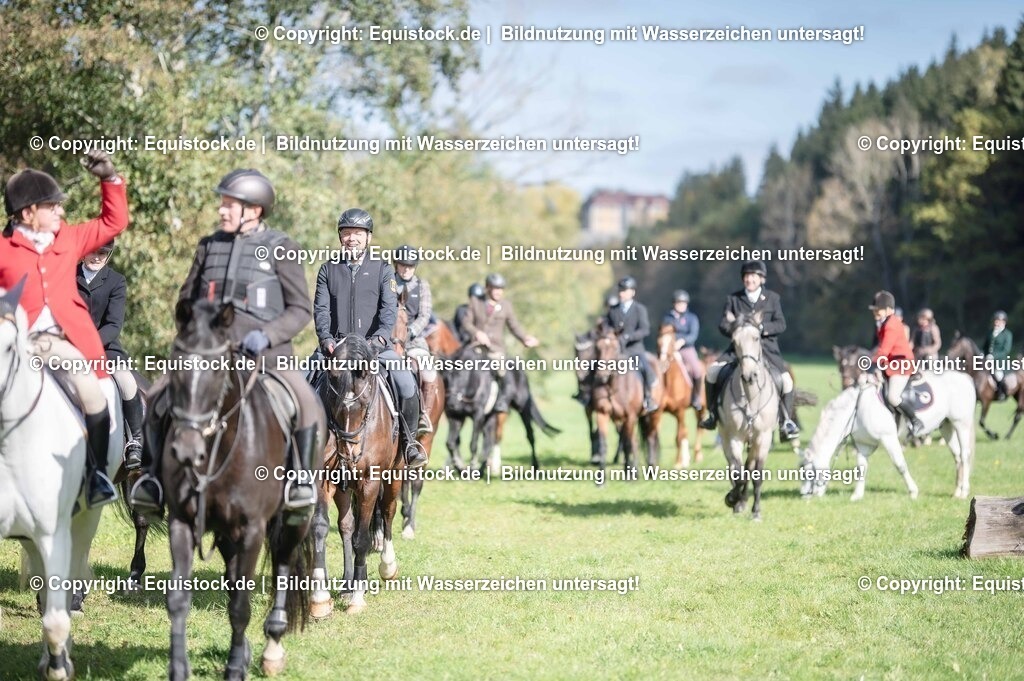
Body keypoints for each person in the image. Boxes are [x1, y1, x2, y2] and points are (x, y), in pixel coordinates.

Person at [131, 169, 325, 518]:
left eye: (229, 204)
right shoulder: (209, 245)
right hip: (209, 356)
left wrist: (266, 335)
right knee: (159, 394)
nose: (221, 210)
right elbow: (184, 302)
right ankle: (150, 482)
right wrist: (194, 332)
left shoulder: (283, 248)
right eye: (221, 203)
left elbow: (300, 309)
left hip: (266, 357)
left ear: (254, 210)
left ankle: (300, 485)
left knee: (307, 402)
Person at [0, 150, 128, 508]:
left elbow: (113, 222)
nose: (61, 211)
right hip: (14, 345)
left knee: (94, 394)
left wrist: (110, 180)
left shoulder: (69, 238)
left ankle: (96, 476)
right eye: (53, 206)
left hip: (60, 344)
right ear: (28, 213)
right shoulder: (3, 249)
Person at [312, 208, 429, 468]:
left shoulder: (382, 269)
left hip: (374, 347)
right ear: (340, 237)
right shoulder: (328, 270)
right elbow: (321, 310)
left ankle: (410, 444)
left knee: (406, 382)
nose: (351, 238)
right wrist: (327, 340)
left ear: (368, 238)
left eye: (357, 233)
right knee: (302, 377)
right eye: (346, 233)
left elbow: (389, 312)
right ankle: (299, 450)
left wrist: (377, 341)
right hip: (336, 347)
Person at [699, 261, 799, 437]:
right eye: (746, 276)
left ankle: (786, 421)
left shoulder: (772, 298)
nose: (749, 279)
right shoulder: (733, 299)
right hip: (738, 349)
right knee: (712, 373)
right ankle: (713, 414)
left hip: (766, 349)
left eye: (753, 276)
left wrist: (761, 329)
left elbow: (781, 324)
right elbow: (723, 323)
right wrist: (735, 329)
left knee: (786, 381)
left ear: (761, 278)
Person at [77, 239, 145, 469]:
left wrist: (89, 345)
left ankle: (135, 442)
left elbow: (113, 325)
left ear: (109, 254)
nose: (97, 257)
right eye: (93, 251)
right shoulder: (67, 275)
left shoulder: (116, 281)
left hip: (104, 348)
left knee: (126, 382)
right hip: (67, 344)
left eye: (103, 253)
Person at [462, 273, 540, 413]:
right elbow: (466, 322)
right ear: (487, 288)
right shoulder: (475, 301)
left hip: (495, 349)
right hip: (476, 347)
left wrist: (525, 338)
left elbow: (514, 326)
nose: (498, 292)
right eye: (495, 288)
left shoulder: (506, 306)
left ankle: (501, 401)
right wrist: (477, 333)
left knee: (503, 371)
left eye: (501, 289)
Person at [393, 244, 435, 433]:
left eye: (410, 266)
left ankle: (423, 414)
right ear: (396, 265)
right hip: (388, 339)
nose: (407, 269)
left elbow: (425, 315)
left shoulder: (422, 285)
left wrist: (410, 331)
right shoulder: (387, 283)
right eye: (403, 265)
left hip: (414, 340)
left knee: (428, 372)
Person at [869, 290, 924, 436]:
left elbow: (885, 350)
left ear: (887, 310)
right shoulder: (883, 323)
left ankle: (915, 420)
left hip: (901, 364)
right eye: (874, 310)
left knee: (893, 397)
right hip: (891, 363)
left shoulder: (891, 324)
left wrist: (872, 364)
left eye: (877, 310)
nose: (875, 312)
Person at [604, 276, 658, 414]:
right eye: (620, 290)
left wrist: (628, 337)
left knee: (646, 370)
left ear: (632, 292)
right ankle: (593, 397)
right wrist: (609, 336)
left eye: (625, 290)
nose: (622, 293)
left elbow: (645, 329)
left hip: (635, 350)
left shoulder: (640, 309)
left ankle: (648, 399)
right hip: (616, 351)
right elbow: (606, 327)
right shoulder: (613, 310)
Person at [662, 289, 704, 411]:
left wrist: (682, 341)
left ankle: (696, 397)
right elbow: (663, 333)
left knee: (697, 370)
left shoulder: (692, 318)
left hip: (686, 349)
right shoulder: (667, 318)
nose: (681, 305)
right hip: (669, 350)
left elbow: (693, 335)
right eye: (678, 303)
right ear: (674, 304)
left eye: (683, 303)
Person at [983, 310, 1014, 400]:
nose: (996, 323)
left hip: (999, 362)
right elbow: (985, 347)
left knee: (998, 375)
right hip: (987, 360)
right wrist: (983, 354)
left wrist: (993, 356)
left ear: (1003, 322)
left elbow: (1006, 350)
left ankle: (1001, 393)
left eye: (998, 321)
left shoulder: (1007, 334)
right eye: (995, 320)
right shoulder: (990, 332)